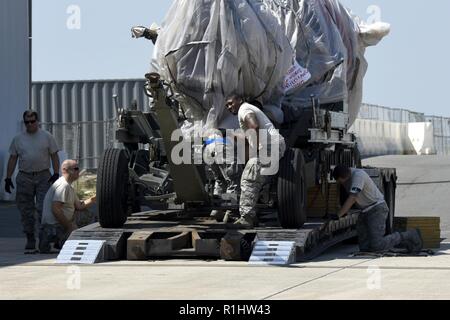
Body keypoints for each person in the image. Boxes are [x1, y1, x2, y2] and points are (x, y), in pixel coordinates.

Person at [225, 94, 286, 228]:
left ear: (240, 100)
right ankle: (252, 214)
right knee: (257, 177)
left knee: (250, 177)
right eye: (227, 106)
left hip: (270, 147)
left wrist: (257, 151)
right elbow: (250, 136)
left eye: (230, 103)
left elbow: (254, 126)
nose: (229, 107)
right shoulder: (246, 109)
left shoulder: (244, 109)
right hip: (274, 145)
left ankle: (247, 218)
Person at [333, 165, 423, 253]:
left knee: (377, 245)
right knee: (365, 248)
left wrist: (338, 215)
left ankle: (410, 235)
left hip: (376, 209)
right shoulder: (347, 176)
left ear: (346, 175)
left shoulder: (358, 176)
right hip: (364, 212)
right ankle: (404, 241)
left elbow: (352, 198)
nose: (342, 184)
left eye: (341, 181)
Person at [4, 110, 60, 252]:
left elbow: (54, 155)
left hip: (43, 176)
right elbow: (12, 159)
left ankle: (44, 241)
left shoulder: (47, 137)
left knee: (43, 210)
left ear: (37, 121)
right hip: (25, 177)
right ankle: (30, 239)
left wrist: (56, 173)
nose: (30, 124)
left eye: (32, 121)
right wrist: (8, 178)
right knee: (26, 211)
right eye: (27, 122)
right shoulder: (18, 139)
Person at [39, 160, 96, 254]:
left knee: (85, 213)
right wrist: (70, 227)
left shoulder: (68, 186)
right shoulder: (63, 186)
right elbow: (56, 209)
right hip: (54, 225)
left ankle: (60, 239)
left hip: (58, 223)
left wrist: (93, 199)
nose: (78, 171)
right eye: (76, 169)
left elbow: (79, 206)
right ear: (65, 170)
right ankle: (61, 238)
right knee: (90, 217)